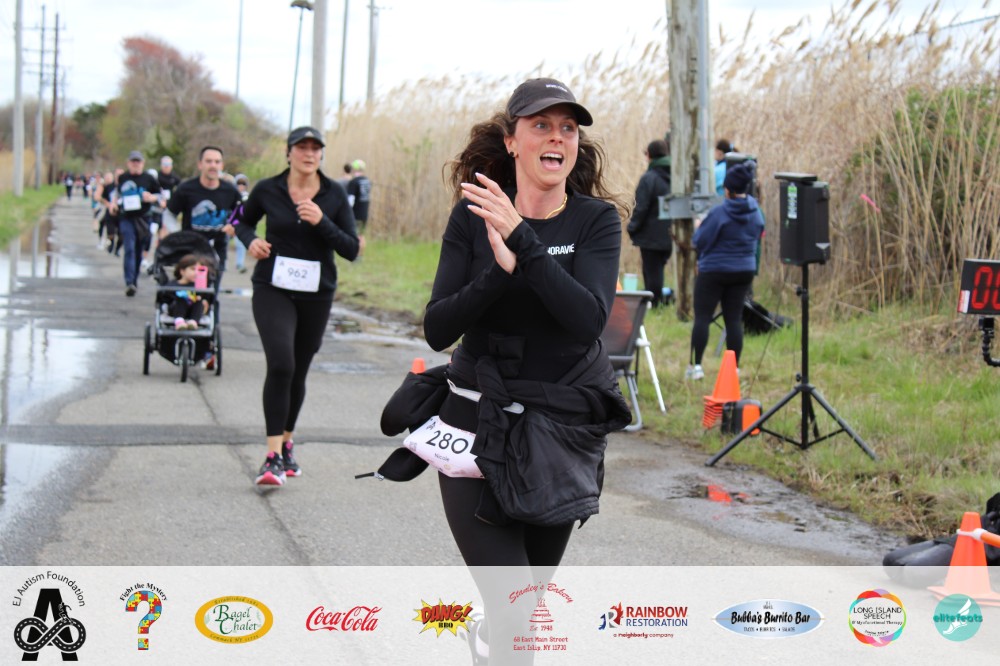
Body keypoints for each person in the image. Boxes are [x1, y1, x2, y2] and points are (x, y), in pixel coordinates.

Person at [420, 77, 630, 664]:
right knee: (517, 616)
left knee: (523, 613)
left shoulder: (595, 221)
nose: (557, 137)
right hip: (475, 422)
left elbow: (587, 320)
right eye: (541, 125)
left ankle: (488, 640)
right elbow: (437, 327)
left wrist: (523, 243)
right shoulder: (473, 217)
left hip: (557, 433)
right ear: (512, 141)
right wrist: (500, 271)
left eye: (568, 127)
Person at [234, 126, 360, 487]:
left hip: (316, 293)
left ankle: (287, 443)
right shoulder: (267, 189)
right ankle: (272, 456)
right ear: (288, 153)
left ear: (321, 154)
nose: (309, 153)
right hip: (272, 287)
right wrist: (251, 240)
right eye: (301, 147)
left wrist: (322, 222)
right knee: (281, 363)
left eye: (315, 148)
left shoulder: (334, 193)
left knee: (299, 370)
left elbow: (351, 249)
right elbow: (239, 220)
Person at [686, 161, 764, 380]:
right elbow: (758, 233)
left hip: (714, 271)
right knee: (733, 319)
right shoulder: (756, 212)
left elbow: (699, 241)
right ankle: (733, 369)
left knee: (703, 317)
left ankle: (696, 367)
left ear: (727, 189)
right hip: (744, 270)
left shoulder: (719, 212)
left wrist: (699, 226)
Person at [166, 146, 242, 286]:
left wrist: (234, 226)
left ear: (222, 165)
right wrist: (176, 235)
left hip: (217, 248)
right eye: (209, 161)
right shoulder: (186, 188)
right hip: (191, 248)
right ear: (200, 164)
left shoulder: (230, 190)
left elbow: (242, 214)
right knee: (191, 291)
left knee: (212, 291)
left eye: (217, 162)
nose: (213, 165)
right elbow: (170, 214)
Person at [626, 139, 673, 307]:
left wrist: (632, 227)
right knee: (657, 270)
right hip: (670, 235)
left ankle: (654, 304)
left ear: (650, 155)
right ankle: (657, 301)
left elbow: (641, 207)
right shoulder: (676, 177)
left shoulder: (649, 178)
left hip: (651, 237)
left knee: (652, 272)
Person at [110, 151, 161, 296]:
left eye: (138, 161)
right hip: (126, 217)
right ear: (128, 163)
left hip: (143, 218)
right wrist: (113, 204)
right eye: (133, 161)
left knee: (138, 250)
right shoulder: (123, 178)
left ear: (143, 163)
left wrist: (151, 198)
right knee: (129, 248)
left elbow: (160, 195)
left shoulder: (149, 178)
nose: (135, 164)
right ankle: (129, 281)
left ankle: (134, 280)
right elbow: (117, 194)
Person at [166, 254, 210, 330]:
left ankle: (193, 322)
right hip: (177, 309)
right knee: (181, 298)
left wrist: (204, 299)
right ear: (182, 271)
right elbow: (165, 297)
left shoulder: (199, 286)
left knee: (198, 301)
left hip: (193, 311)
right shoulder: (173, 285)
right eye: (193, 269)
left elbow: (207, 298)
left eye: (199, 270)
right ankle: (179, 321)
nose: (196, 272)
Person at [231, 174, 251, 273]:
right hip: (228, 224)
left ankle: (240, 264)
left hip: (240, 224)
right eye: (239, 184)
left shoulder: (247, 197)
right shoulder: (230, 195)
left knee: (240, 244)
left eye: (243, 184)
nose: (241, 186)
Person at [345, 159, 371, 234]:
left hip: (355, 215)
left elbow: (350, 201)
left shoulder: (354, 182)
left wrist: (346, 213)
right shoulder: (367, 181)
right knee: (361, 235)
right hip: (364, 214)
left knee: (353, 236)